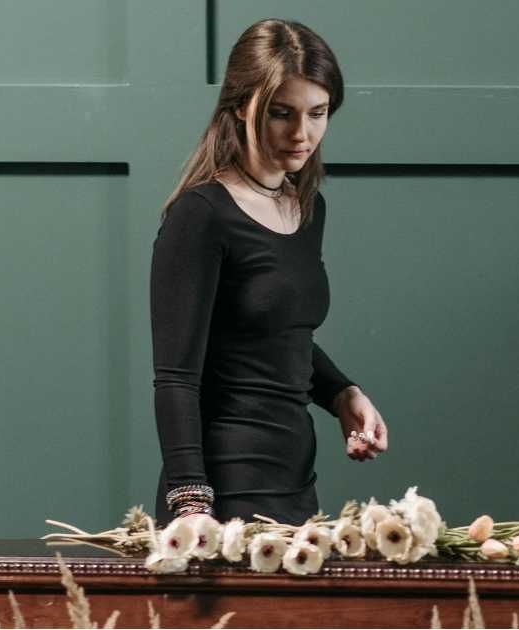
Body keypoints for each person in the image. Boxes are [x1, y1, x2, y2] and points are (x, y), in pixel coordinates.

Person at [151, 18, 389, 527]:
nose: (302, 134)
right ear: (241, 105)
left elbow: (275, 335)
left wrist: (343, 393)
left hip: (295, 483)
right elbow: (175, 377)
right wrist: (192, 504)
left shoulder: (306, 207)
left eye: (318, 113)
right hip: (220, 493)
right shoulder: (200, 215)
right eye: (282, 114)